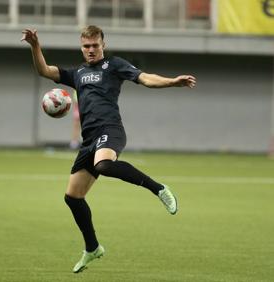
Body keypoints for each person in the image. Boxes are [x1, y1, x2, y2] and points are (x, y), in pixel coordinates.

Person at [21, 25, 196, 273]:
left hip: (110, 130)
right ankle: (92, 248)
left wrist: (172, 82)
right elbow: (44, 70)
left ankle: (159, 189)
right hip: (89, 139)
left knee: (103, 165)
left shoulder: (114, 65)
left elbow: (145, 78)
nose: (91, 50)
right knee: (72, 197)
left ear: (103, 44)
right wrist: (35, 45)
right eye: (86, 46)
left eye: (95, 45)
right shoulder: (78, 72)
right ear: (81, 47)